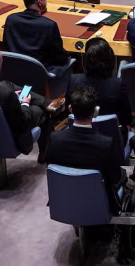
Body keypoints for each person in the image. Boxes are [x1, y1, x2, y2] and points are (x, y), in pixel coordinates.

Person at [46, 85, 123, 238]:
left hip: (64, 199)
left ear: (70, 109)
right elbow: (115, 178)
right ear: (95, 112)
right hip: (99, 202)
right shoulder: (105, 143)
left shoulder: (54, 139)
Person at [2, 0, 71, 78]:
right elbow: (60, 58)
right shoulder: (49, 25)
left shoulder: (11, 19)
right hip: (39, 77)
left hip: (14, 75)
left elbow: (6, 46)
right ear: (39, 1)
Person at [66, 38, 130, 128]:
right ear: (110, 60)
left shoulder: (73, 80)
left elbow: (68, 110)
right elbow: (126, 118)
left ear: (86, 60)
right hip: (110, 134)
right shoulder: (118, 84)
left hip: (79, 132)